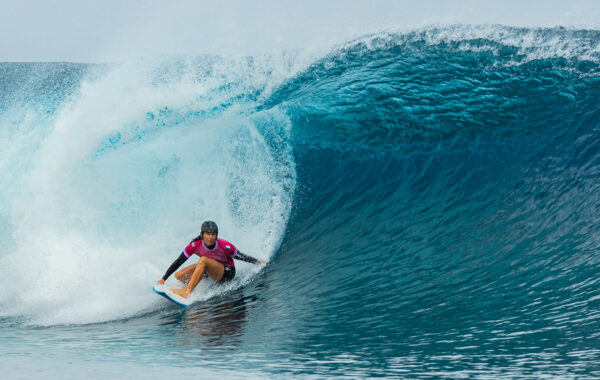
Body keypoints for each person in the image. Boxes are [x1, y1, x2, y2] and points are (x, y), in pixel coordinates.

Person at [157, 221, 265, 299]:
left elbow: (241, 256)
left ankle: (187, 291)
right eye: (208, 234)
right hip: (210, 271)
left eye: (213, 234)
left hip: (226, 273)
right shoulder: (194, 246)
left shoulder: (225, 246)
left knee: (203, 260)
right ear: (202, 235)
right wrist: (163, 279)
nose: (210, 237)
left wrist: (257, 262)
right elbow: (179, 261)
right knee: (179, 276)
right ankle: (193, 282)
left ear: (216, 235)